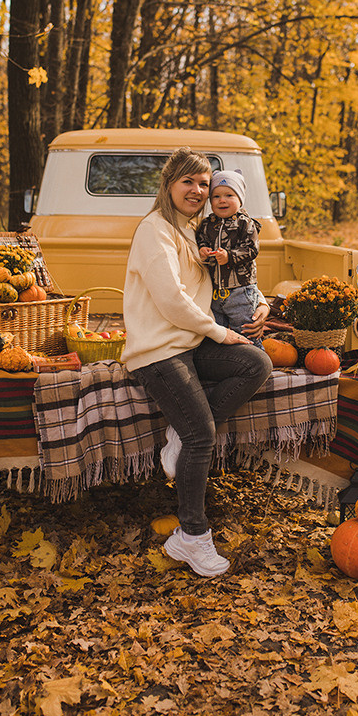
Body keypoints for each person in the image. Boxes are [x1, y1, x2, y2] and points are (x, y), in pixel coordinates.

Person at [122, 147, 272, 578]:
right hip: (158, 351)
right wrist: (220, 332)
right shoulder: (155, 230)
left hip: (191, 343)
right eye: (188, 181)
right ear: (169, 184)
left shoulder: (196, 230)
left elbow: (231, 277)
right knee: (202, 435)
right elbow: (172, 300)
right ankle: (191, 536)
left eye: (204, 183)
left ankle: (179, 430)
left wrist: (260, 303)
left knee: (256, 364)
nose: (198, 190)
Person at [195, 170, 263, 345]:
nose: (222, 200)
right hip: (214, 292)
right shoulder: (207, 224)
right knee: (218, 335)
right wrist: (202, 249)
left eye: (229, 195)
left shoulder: (245, 223)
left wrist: (229, 257)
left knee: (246, 331)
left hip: (240, 290)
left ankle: (255, 356)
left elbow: (251, 249)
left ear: (240, 199)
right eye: (216, 196)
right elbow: (201, 239)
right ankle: (226, 358)